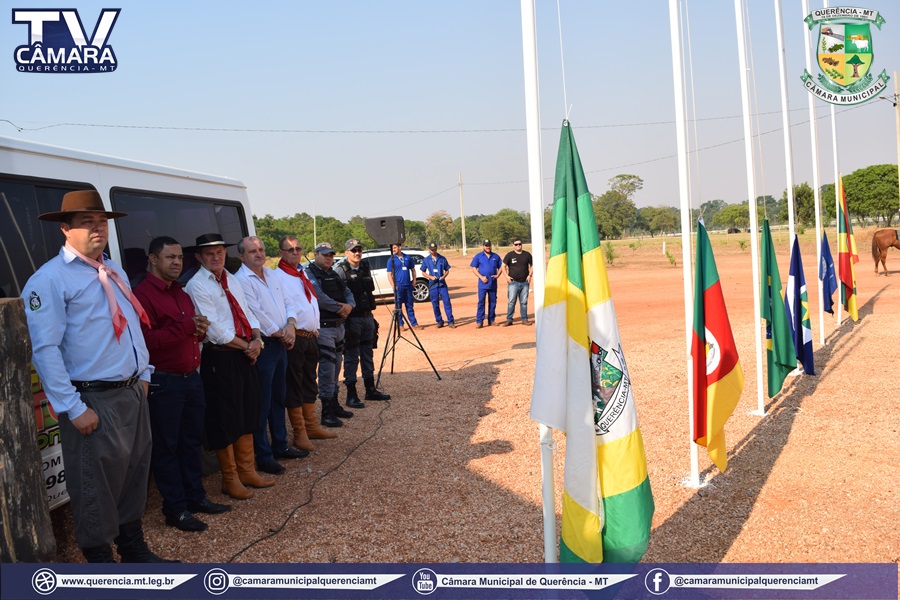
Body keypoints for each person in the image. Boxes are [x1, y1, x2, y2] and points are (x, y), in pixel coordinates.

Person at [21, 190, 174, 563]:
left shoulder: (111, 269)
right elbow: (45, 349)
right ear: (65, 229)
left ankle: (133, 548)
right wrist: (72, 407)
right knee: (94, 485)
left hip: (131, 391)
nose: (97, 229)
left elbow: (131, 325)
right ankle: (101, 563)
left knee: (134, 474)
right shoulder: (49, 279)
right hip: (92, 398)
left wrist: (144, 373)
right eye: (86, 222)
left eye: (102, 222)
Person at [133, 236, 231, 533]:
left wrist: (198, 330)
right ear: (152, 259)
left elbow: (189, 330)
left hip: (191, 378)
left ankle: (195, 497)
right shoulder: (143, 295)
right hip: (164, 382)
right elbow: (146, 341)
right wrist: (188, 327)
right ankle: (175, 509)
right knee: (167, 448)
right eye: (170, 257)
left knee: (191, 443)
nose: (177, 262)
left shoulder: (180, 292)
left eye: (179, 257)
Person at [185, 233, 275, 501]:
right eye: (209, 253)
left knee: (248, 411)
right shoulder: (197, 285)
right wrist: (247, 346)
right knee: (225, 418)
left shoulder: (231, 279)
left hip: (244, 352)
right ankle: (230, 478)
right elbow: (213, 329)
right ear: (199, 257)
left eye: (219, 252)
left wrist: (257, 339)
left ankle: (247, 471)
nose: (216, 257)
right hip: (221, 357)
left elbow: (247, 313)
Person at [235, 236, 308, 477]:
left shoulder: (273, 275)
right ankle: (263, 456)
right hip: (265, 345)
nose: (259, 254)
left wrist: (291, 326)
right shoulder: (241, 280)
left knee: (279, 397)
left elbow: (288, 302)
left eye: (261, 249)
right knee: (262, 402)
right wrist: (281, 333)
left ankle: (280, 446)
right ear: (241, 256)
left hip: (281, 342)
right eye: (252, 251)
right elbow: (255, 312)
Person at [272, 235, 335, 448]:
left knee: (309, 381)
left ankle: (311, 426)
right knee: (294, 384)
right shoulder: (277, 277)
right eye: (290, 249)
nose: (295, 252)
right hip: (294, 337)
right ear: (280, 252)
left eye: (298, 249)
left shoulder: (301, 273)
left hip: (310, 336)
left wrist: (315, 329)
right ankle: (299, 433)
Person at [304, 242, 355, 427]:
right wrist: (340, 308)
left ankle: (334, 404)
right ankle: (326, 412)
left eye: (331, 255)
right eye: (325, 254)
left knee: (336, 367)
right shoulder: (310, 273)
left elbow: (347, 292)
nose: (328, 258)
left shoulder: (333, 273)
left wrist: (350, 306)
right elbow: (318, 296)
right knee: (327, 369)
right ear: (315, 254)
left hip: (339, 326)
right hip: (324, 328)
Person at [337, 238, 392, 407]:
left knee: (368, 354)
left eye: (359, 250)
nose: (357, 253)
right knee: (352, 357)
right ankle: (351, 395)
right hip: (352, 319)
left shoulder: (365, 267)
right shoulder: (341, 270)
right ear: (346, 252)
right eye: (353, 250)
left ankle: (370, 390)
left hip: (368, 317)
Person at [420, 242, 455, 328]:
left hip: (442, 284)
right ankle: (439, 321)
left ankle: (450, 321)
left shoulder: (442, 258)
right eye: (432, 250)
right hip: (433, 285)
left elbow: (447, 270)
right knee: (435, 304)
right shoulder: (426, 260)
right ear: (429, 250)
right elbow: (423, 272)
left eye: (435, 249)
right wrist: (430, 277)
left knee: (447, 303)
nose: (433, 251)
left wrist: (444, 276)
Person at [469, 239, 503, 328]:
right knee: (481, 302)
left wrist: (498, 275)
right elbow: (473, 268)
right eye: (486, 245)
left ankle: (491, 320)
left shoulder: (495, 256)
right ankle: (479, 321)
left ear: (491, 246)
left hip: (493, 283)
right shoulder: (478, 256)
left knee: (493, 302)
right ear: (483, 246)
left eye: (489, 245)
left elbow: (502, 266)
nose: (488, 247)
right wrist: (481, 277)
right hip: (482, 283)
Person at [385, 243, 419, 329]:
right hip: (398, 286)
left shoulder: (407, 257)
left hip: (408, 285)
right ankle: (400, 325)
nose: (394, 249)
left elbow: (413, 270)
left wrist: (414, 280)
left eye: (395, 247)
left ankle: (414, 324)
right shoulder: (391, 260)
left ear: (400, 247)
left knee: (409, 305)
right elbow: (389, 274)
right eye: (392, 248)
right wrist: (393, 285)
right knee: (398, 306)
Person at [501, 238, 533, 326]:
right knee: (511, 302)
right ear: (513, 245)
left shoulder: (527, 255)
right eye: (516, 244)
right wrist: (507, 276)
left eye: (519, 244)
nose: (518, 246)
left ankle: (524, 319)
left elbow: (532, 265)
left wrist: (530, 275)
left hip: (525, 282)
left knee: (524, 302)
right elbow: (503, 266)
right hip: (513, 282)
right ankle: (509, 320)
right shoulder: (509, 255)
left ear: (522, 245)